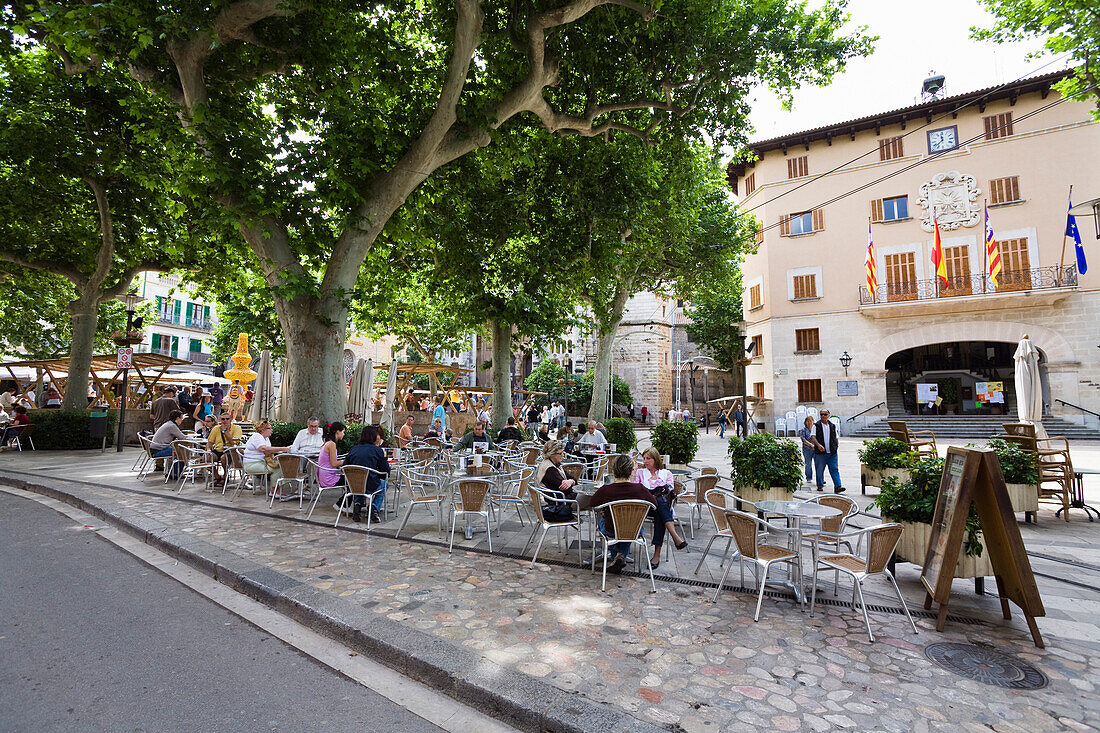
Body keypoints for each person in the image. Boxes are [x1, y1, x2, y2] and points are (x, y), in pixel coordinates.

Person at [590, 454, 657, 574]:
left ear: (614, 470)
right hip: (634, 531)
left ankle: (617, 556)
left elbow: (592, 503)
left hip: (611, 530)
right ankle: (620, 556)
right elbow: (654, 504)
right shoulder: (640, 489)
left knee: (601, 520)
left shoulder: (606, 489)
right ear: (631, 470)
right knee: (631, 527)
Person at [632, 447, 689, 569]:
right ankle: (674, 537)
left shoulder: (666, 473)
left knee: (660, 511)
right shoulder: (640, 473)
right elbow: (634, 489)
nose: (645, 461)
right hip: (646, 508)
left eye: (648, 458)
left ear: (656, 459)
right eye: (644, 458)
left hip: (660, 509)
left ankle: (657, 555)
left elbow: (669, 492)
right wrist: (634, 471)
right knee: (660, 505)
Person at [343, 424, 389, 523]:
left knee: (359, 482)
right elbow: (385, 470)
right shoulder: (377, 450)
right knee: (384, 483)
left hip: (353, 485)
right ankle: (374, 507)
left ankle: (357, 505)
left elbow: (345, 466)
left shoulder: (353, 449)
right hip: (371, 484)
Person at [535, 440, 577, 520]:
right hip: (561, 503)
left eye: (563, 452)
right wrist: (572, 482)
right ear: (551, 454)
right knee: (597, 499)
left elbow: (573, 479)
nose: (563, 455)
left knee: (598, 499)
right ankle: (603, 529)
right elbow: (567, 489)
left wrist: (571, 481)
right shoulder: (550, 469)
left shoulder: (554, 464)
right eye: (560, 453)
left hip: (561, 500)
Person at [207, 412, 244, 487]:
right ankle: (216, 476)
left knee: (224, 458)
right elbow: (209, 442)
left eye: (227, 419)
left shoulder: (237, 428)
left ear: (231, 420)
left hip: (231, 450)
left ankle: (225, 476)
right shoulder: (216, 428)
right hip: (218, 449)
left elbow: (233, 442)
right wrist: (208, 450)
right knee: (207, 457)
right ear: (220, 420)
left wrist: (225, 431)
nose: (225, 421)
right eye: (223, 419)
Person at [813, 409, 844, 493]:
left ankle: (838, 486)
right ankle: (820, 485)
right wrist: (818, 445)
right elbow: (813, 437)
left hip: (832, 453)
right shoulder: (816, 426)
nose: (823, 416)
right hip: (820, 453)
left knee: (834, 469)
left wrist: (836, 447)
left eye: (825, 414)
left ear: (828, 415)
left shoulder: (832, 426)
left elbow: (836, 437)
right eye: (821, 414)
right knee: (819, 470)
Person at [316, 421, 346, 493]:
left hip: (323, 476)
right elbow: (334, 464)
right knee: (352, 481)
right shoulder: (332, 444)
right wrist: (345, 461)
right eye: (343, 432)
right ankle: (341, 504)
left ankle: (342, 503)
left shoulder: (326, 443)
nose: (343, 434)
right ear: (338, 432)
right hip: (328, 478)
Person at [798, 415, 818, 486]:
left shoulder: (816, 429)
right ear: (805, 422)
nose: (809, 422)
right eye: (808, 421)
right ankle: (809, 477)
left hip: (816, 449)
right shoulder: (803, 430)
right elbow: (803, 439)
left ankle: (820, 479)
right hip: (807, 449)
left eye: (810, 421)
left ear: (813, 421)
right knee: (808, 464)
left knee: (818, 464)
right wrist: (811, 445)